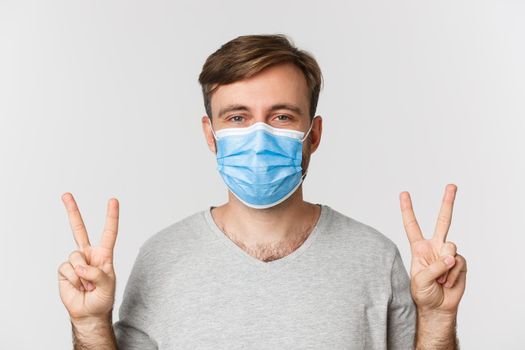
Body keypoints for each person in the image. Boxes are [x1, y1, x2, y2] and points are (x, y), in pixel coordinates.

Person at [57, 34, 467, 349]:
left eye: (281, 116)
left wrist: (437, 319)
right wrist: (91, 325)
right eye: (237, 117)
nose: (258, 136)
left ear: (314, 134)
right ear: (211, 134)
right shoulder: (161, 258)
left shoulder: (375, 257)